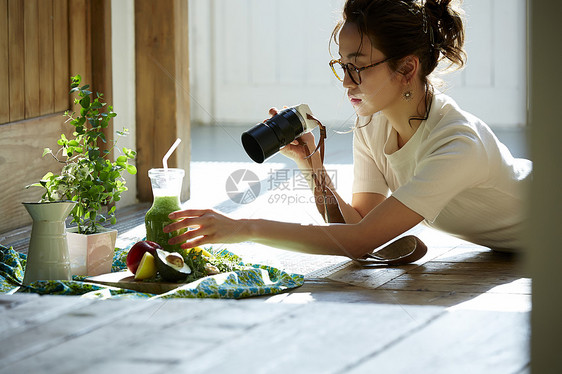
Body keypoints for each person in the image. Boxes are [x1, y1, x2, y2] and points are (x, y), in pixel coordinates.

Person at [164, 0, 532, 258]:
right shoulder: (372, 122)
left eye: (358, 66)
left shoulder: (457, 144)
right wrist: (314, 168)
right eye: (341, 66)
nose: (346, 82)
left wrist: (244, 229)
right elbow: (357, 224)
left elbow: (357, 241)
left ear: (406, 68)